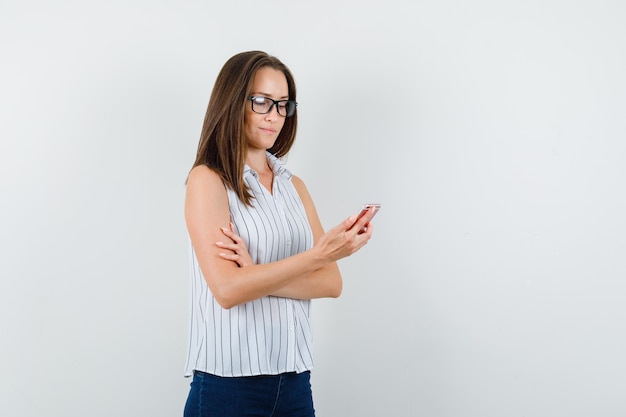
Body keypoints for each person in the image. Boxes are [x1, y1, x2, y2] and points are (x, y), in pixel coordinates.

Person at [183, 50, 377, 417]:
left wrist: (253, 274)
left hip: (294, 382)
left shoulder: (294, 186)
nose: (275, 116)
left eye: (283, 105)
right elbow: (226, 290)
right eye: (262, 102)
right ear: (232, 102)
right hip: (229, 385)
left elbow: (331, 283)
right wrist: (316, 257)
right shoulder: (208, 180)